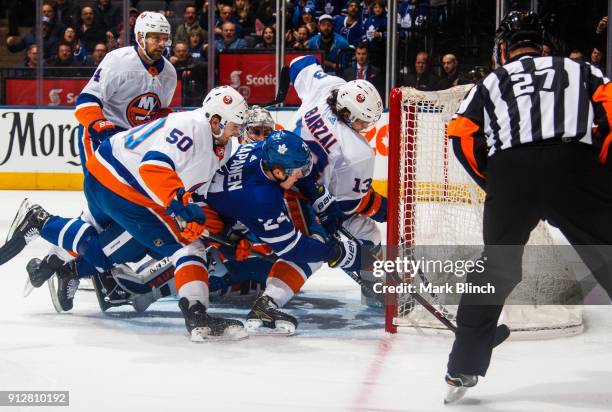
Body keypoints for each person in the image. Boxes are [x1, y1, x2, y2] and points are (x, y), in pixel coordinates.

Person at [444, 11, 612, 403]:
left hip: (511, 173)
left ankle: (462, 366)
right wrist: (600, 167)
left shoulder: (488, 82)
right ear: (544, 45)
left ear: (503, 49)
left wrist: (495, 181)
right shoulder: (580, 69)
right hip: (575, 166)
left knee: (496, 268)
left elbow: (462, 135)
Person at [6, 86, 250, 341]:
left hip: (110, 176)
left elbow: (194, 196)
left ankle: (43, 229)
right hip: (127, 188)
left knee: (98, 238)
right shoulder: (191, 127)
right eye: (236, 125)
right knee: (186, 246)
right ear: (216, 121)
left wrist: (225, 234)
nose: (239, 132)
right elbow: (154, 167)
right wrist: (180, 207)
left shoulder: (220, 143)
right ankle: (197, 316)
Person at [25, 11, 177, 312]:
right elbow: (85, 103)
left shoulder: (169, 73)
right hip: (99, 143)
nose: (160, 43)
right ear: (140, 37)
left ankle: (55, 259)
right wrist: (101, 127)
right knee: (105, 215)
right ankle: (53, 240)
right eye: (154, 37)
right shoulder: (118, 61)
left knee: (108, 220)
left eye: (164, 37)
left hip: (132, 151)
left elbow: (158, 115)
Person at [206, 131, 365, 334]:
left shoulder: (261, 150)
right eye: (297, 171)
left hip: (226, 214)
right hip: (210, 232)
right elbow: (294, 248)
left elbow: (300, 177)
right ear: (279, 172)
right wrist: (335, 253)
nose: (302, 173)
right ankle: (265, 303)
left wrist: (319, 198)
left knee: (310, 241)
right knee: (310, 249)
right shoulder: (261, 200)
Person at [289, 54, 387, 263]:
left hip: (276, 177)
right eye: (363, 121)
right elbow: (346, 206)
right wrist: (378, 206)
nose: (367, 126)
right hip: (305, 201)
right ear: (348, 114)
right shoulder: (358, 152)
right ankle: (372, 287)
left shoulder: (329, 86)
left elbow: (299, 63)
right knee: (369, 234)